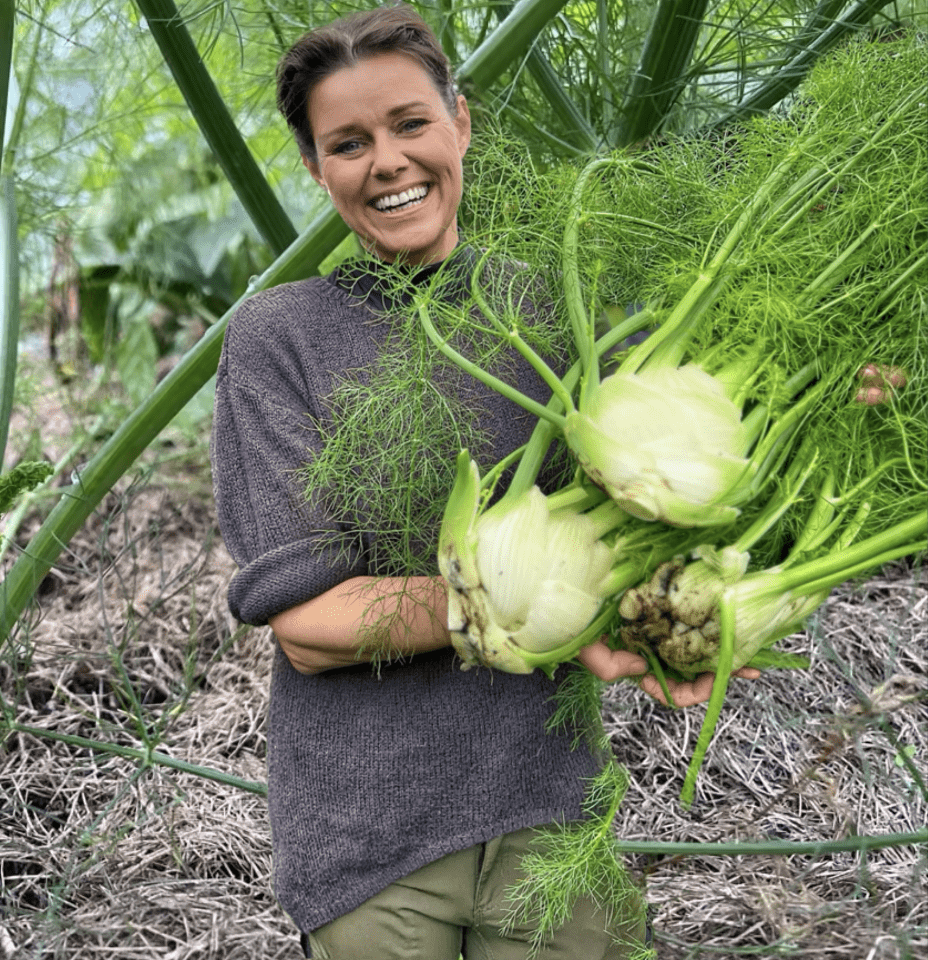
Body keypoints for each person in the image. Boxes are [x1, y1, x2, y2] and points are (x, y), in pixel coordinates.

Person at [209, 7, 758, 957]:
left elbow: (678, 513)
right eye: (348, 142)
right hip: (366, 840)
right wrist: (556, 608)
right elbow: (310, 626)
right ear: (315, 169)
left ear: (460, 123)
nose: (387, 161)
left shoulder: (561, 308)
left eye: (409, 124)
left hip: (552, 806)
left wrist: (826, 406)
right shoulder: (276, 338)